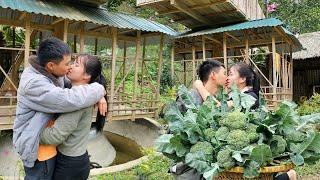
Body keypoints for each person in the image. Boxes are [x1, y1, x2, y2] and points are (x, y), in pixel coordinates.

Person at [13, 37, 107, 180]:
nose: (70, 67)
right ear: (51, 65)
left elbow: (77, 85)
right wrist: (100, 90)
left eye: (74, 63)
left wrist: (99, 93)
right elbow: (68, 98)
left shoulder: (51, 72)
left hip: (54, 152)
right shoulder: (35, 84)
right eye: (68, 63)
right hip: (38, 150)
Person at [193, 62, 297, 180]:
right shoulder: (236, 96)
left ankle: (289, 176)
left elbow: (216, 106)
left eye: (231, 74)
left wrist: (199, 86)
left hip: (253, 148)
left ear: (242, 79)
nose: (227, 77)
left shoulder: (250, 97)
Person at [39, 54, 106, 180]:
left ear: (86, 76)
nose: (70, 66)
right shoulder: (81, 93)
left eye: (76, 64)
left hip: (69, 166)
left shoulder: (79, 102)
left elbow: (54, 136)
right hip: (77, 159)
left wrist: (30, 133)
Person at [172, 59, 226, 180]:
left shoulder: (217, 99)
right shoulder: (189, 96)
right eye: (224, 73)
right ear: (213, 75)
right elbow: (175, 131)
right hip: (189, 169)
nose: (226, 77)